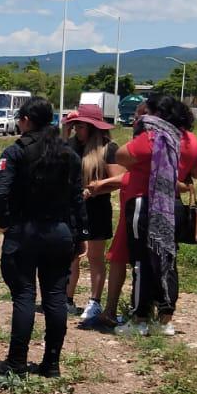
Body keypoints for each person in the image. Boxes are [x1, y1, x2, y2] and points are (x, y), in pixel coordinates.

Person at [0, 97, 87, 377]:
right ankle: (51, 364)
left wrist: (4, 222)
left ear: (27, 121)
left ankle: (17, 362)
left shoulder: (15, 152)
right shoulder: (69, 154)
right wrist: (81, 235)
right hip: (59, 233)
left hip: (25, 232)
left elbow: (1, 193)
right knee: (55, 297)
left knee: (24, 296)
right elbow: (77, 199)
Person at [107, 93, 197, 336]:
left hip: (143, 203)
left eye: (147, 112)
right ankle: (165, 320)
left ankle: (140, 319)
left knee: (141, 260)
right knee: (167, 257)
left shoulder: (151, 138)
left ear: (158, 114)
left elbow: (120, 156)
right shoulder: (189, 140)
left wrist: (146, 166)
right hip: (171, 205)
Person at [62, 104, 125, 326]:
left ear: (92, 127)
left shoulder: (108, 148)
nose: (77, 129)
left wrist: (95, 189)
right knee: (71, 255)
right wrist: (65, 132)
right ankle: (66, 299)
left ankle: (94, 300)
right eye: (75, 125)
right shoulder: (70, 146)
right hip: (71, 209)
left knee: (95, 257)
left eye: (80, 126)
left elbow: (118, 180)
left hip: (96, 209)